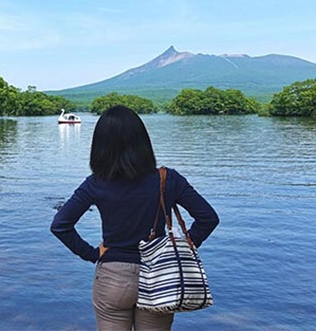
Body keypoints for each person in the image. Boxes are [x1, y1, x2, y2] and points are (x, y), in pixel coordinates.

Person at [50, 105, 219, 331]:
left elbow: (60, 225)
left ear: (100, 146)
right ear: (143, 141)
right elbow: (208, 218)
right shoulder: (167, 179)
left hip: (113, 276)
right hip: (159, 275)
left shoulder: (96, 183)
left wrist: (91, 254)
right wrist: (184, 246)